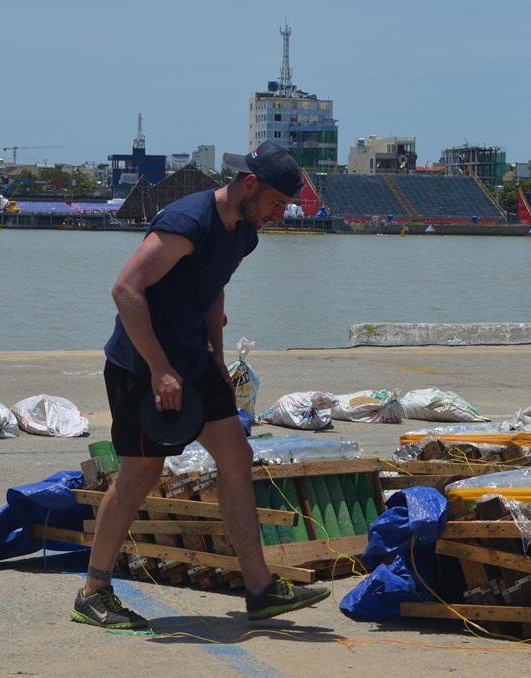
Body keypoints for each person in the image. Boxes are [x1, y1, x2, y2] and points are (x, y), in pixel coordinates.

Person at [71, 141, 329, 630]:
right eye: (276, 203)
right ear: (249, 184)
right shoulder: (187, 221)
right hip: (140, 366)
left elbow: (214, 289)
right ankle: (94, 591)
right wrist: (160, 368)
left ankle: (260, 590)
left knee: (236, 456)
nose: (278, 214)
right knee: (140, 476)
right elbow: (126, 290)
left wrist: (217, 359)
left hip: (193, 361)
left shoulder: (244, 234)